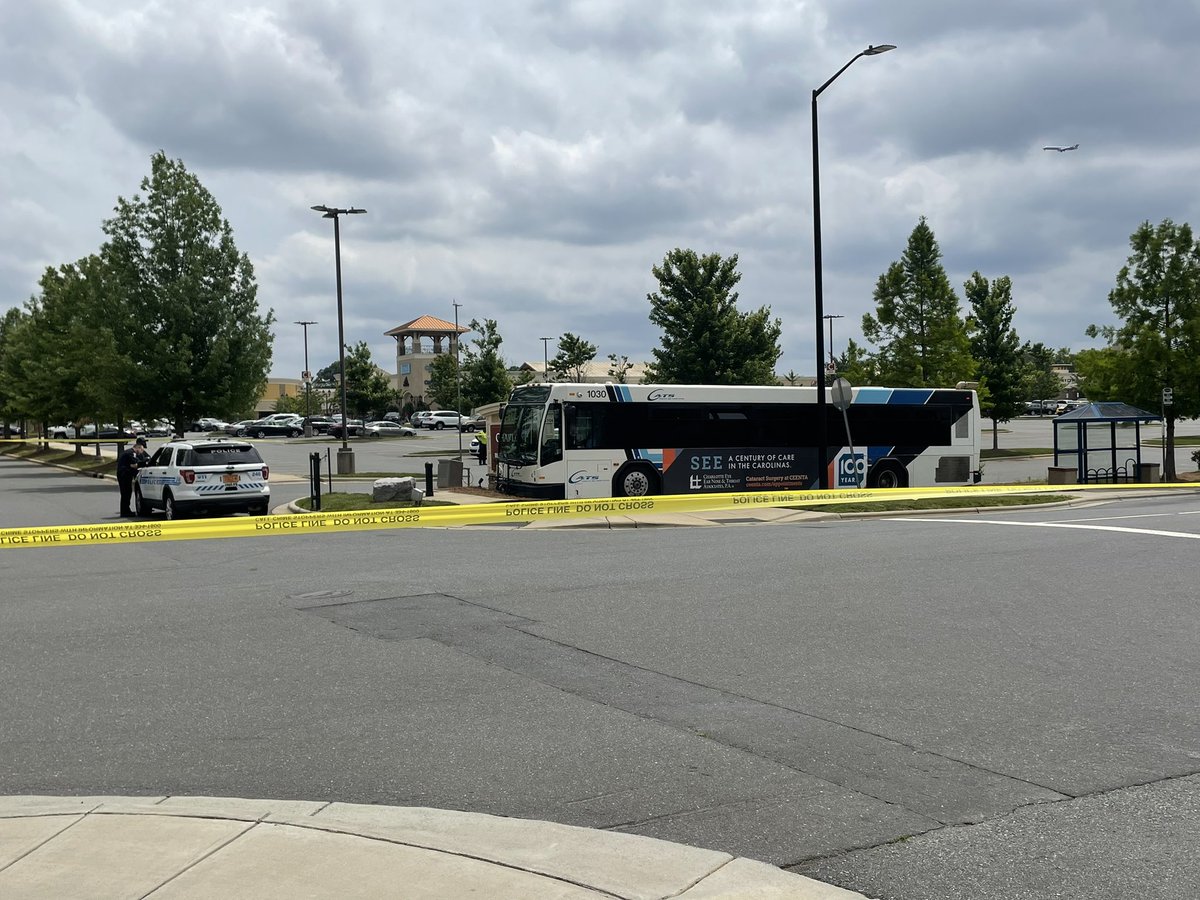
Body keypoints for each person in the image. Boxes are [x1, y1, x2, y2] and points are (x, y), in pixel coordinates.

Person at [117, 437, 151, 517]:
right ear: (138, 447)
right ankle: (125, 512)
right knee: (126, 493)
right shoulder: (130, 453)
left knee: (127, 493)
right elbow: (134, 465)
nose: (142, 452)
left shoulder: (131, 452)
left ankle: (126, 510)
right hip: (124, 475)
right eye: (141, 450)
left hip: (125, 475)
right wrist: (145, 463)